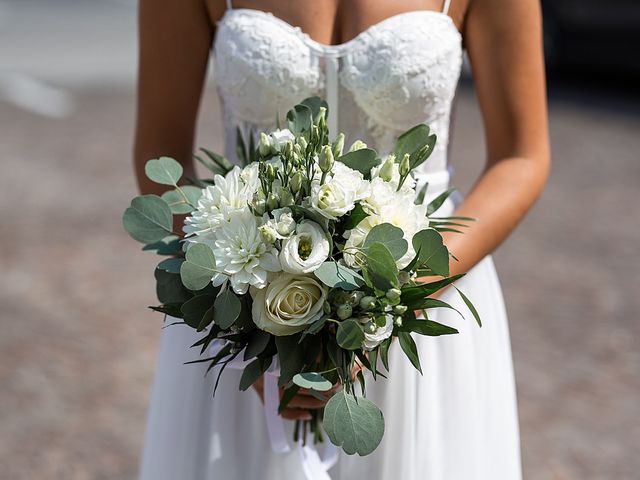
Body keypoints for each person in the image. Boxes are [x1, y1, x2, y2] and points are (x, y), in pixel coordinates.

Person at [134, 0, 550, 478]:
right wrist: (249, 331)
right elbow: (160, 153)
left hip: (430, 299)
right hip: (245, 304)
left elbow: (521, 157)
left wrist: (396, 302)